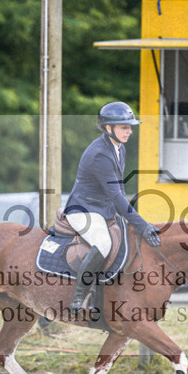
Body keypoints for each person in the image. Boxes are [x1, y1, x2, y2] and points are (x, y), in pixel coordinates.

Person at [65, 101, 162, 314]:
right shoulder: (100, 154)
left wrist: (133, 220)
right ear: (108, 128)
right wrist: (144, 226)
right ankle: (79, 296)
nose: (129, 131)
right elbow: (116, 197)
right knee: (103, 243)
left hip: (102, 209)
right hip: (83, 210)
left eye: (130, 127)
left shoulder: (119, 148)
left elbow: (118, 189)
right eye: (124, 127)